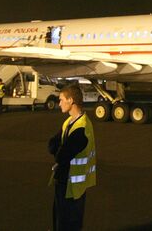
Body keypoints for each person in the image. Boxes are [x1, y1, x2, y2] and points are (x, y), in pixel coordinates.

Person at [48, 84, 96, 231]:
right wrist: (60, 151)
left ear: (71, 100)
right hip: (65, 182)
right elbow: (52, 145)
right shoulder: (69, 122)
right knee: (61, 220)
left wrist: (59, 152)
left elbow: (61, 155)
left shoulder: (81, 128)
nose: (59, 103)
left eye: (62, 99)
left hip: (72, 187)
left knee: (68, 224)